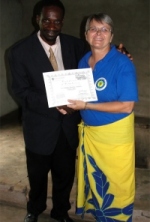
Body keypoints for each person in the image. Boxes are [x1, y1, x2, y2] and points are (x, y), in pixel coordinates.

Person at [8, 0, 133, 221]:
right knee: (37, 175)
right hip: (40, 126)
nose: (51, 25)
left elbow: (102, 50)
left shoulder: (75, 45)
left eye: (57, 21)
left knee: (64, 174)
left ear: (62, 22)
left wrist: (122, 52)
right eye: (47, 19)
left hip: (68, 126)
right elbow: (21, 92)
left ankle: (60, 211)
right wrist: (52, 102)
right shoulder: (19, 52)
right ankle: (34, 209)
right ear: (37, 19)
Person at [65, 13, 138, 222]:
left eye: (104, 29)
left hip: (114, 141)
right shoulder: (83, 62)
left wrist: (86, 105)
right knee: (97, 185)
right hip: (92, 138)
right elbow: (80, 96)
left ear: (112, 35)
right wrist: (67, 106)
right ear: (86, 34)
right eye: (94, 29)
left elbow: (126, 106)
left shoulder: (122, 64)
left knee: (116, 187)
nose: (99, 34)